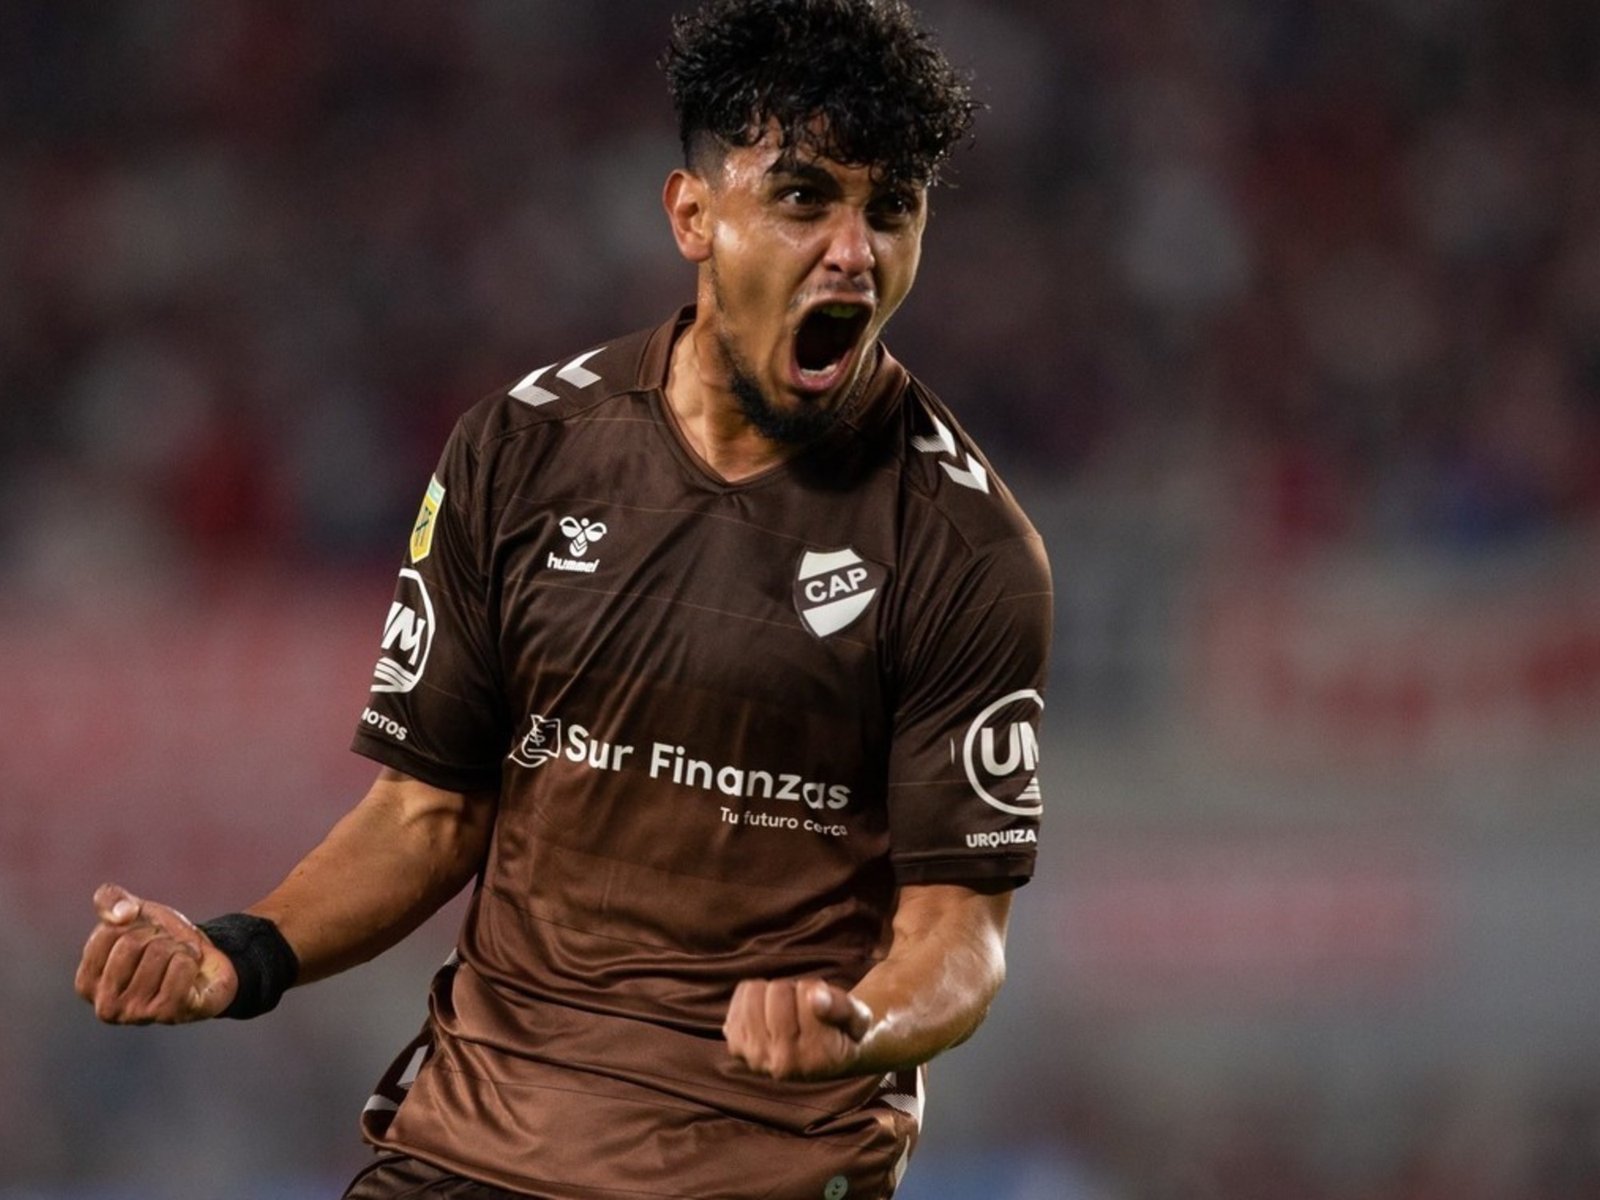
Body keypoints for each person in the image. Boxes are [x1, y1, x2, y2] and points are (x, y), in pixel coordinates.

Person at [74, 1, 1053, 1196]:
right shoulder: (520, 452)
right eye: (804, 199)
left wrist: (861, 1021)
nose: (853, 251)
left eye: (889, 211)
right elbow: (426, 815)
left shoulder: (965, 548)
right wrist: (240, 955)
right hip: (470, 1151)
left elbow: (960, 939)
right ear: (692, 215)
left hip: (755, 1172)